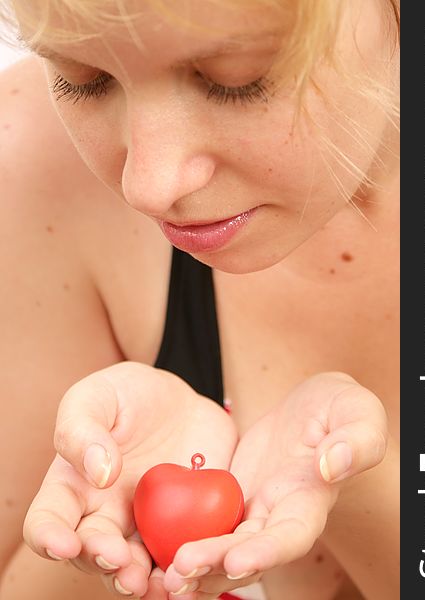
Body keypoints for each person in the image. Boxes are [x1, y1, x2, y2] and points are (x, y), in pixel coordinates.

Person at [0, 0, 400, 598]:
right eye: (85, 80)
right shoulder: (35, 153)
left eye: (234, 80)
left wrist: (350, 487)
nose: (149, 184)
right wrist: (113, 538)